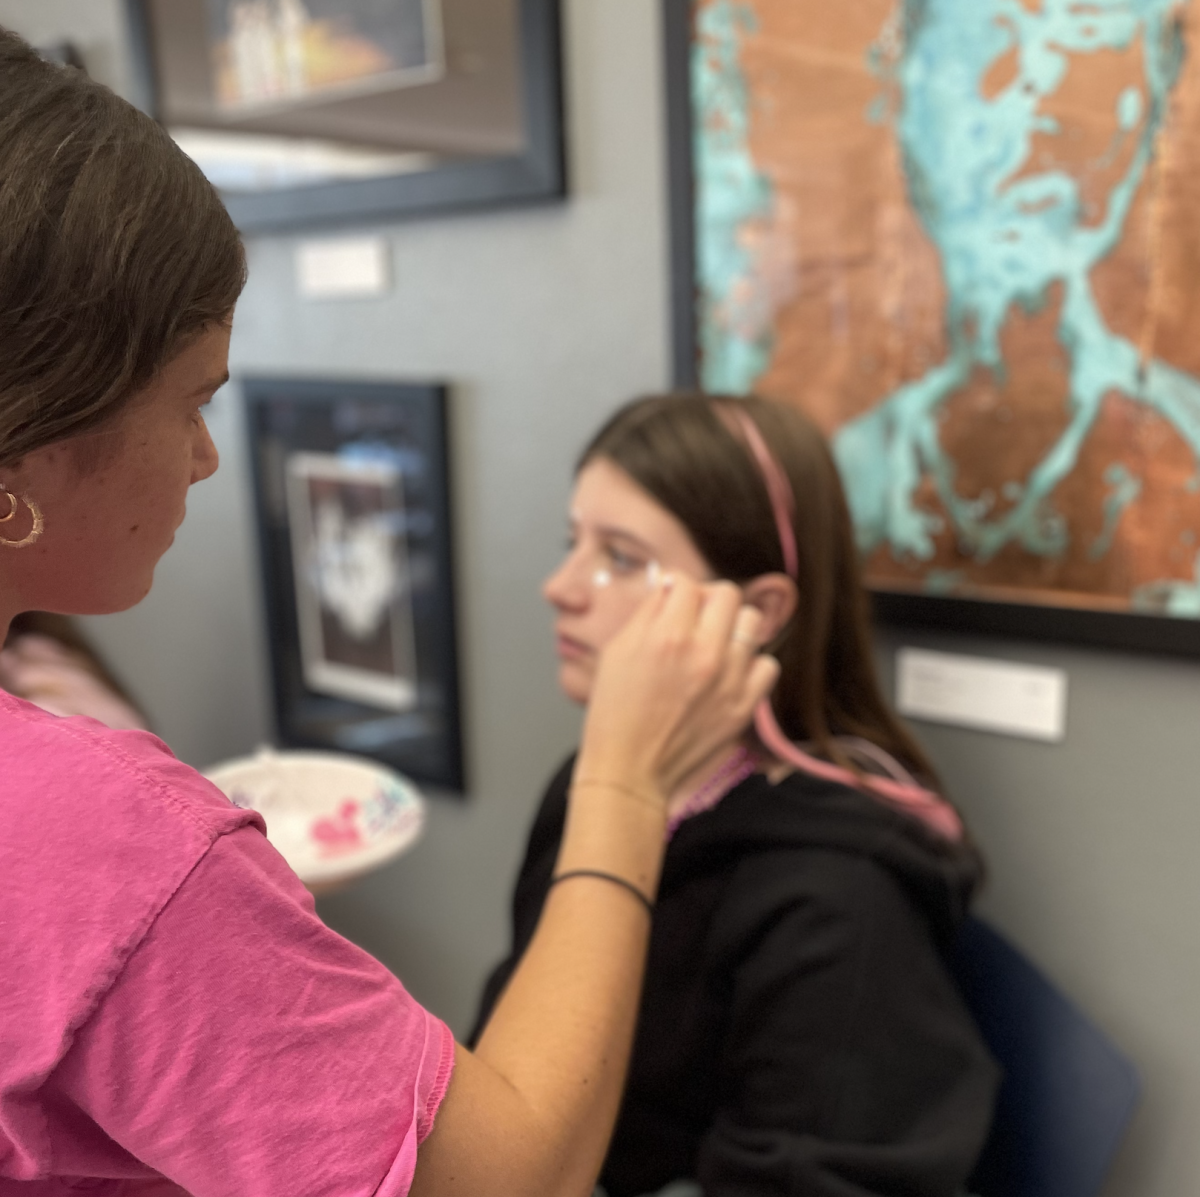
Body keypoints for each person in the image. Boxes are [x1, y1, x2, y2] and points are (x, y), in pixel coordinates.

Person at [0, 29, 779, 1197]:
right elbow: (505, 1173)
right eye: (193, 401)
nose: (209, 458)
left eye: (619, 555)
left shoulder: (832, 884)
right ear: (47, 421)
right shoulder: (112, 848)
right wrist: (624, 781)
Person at [472, 394, 1001, 1197]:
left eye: (620, 556)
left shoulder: (837, 900)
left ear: (755, 613)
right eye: (571, 541)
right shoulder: (590, 792)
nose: (561, 585)